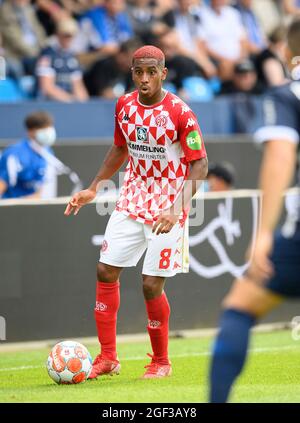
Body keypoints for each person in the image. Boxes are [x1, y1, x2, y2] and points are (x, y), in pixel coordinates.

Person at [65, 45, 208, 379]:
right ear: (131, 73)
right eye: (138, 72)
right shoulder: (124, 105)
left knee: (149, 284)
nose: (144, 79)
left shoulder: (180, 112)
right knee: (105, 270)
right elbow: (120, 148)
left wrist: (176, 209)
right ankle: (108, 358)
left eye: (151, 72)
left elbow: (199, 164)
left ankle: (161, 362)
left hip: (168, 205)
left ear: (163, 73)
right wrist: (94, 186)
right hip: (132, 198)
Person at [209, 19, 300, 403]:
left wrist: (263, 232)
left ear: (288, 53)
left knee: (241, 306)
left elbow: (280, 153)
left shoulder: (285, 95)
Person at [0, 111, 57, 199]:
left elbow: (44, 192)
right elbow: (2, 184)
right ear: (30, 132)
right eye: (42, 129)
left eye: (49, 127)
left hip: (34, 207)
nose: (48, 132)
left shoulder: (48, 153)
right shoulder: (13, 154)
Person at [36, 18, 89, 102]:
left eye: (71, 36)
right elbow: (47, 88)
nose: (68, 39)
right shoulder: (48, 55)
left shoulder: (72, 57)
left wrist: (83, 104)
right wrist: (70, 100)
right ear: (57, 34)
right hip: (50, 103)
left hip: (69, 102)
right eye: (65, 35)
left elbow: (78, 86)